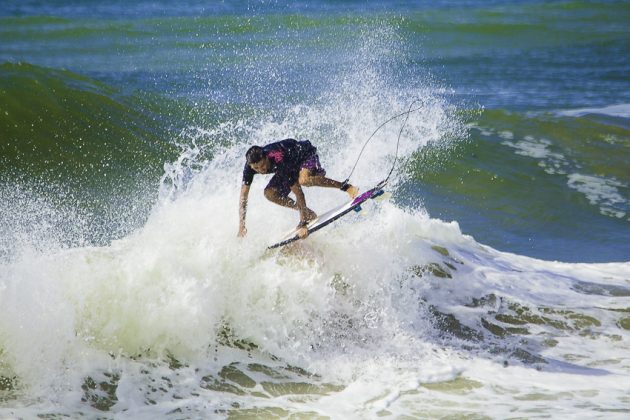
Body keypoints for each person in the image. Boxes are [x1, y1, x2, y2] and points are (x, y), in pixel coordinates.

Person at [238, 138, 358, 239]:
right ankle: (307, 213)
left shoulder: (279, 159)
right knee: (269, 193)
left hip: (305, 155)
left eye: (263, 165)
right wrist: (242, 225)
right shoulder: (249, 167)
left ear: (266, 157)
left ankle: (346, 187)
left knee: (304, 180)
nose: (261, 170)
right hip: (290, 164)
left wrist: (303, 223)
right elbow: (243, 196)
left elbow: (299, 193)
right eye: (256, 168)